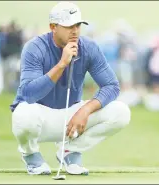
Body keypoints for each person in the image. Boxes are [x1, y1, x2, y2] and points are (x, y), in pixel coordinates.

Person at [10, 2, 131, 175]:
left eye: (77, 25)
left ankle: (69, 150)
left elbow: (112, 86)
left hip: (72, 116)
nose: (74, 31)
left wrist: (85, 110)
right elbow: (29, 94)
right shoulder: (34, 47)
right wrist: (62, 64)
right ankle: (30, 154)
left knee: (121, 112)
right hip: (40, 116)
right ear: (53, 27)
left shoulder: (88, 47)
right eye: (68, 26)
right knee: (23, 113)